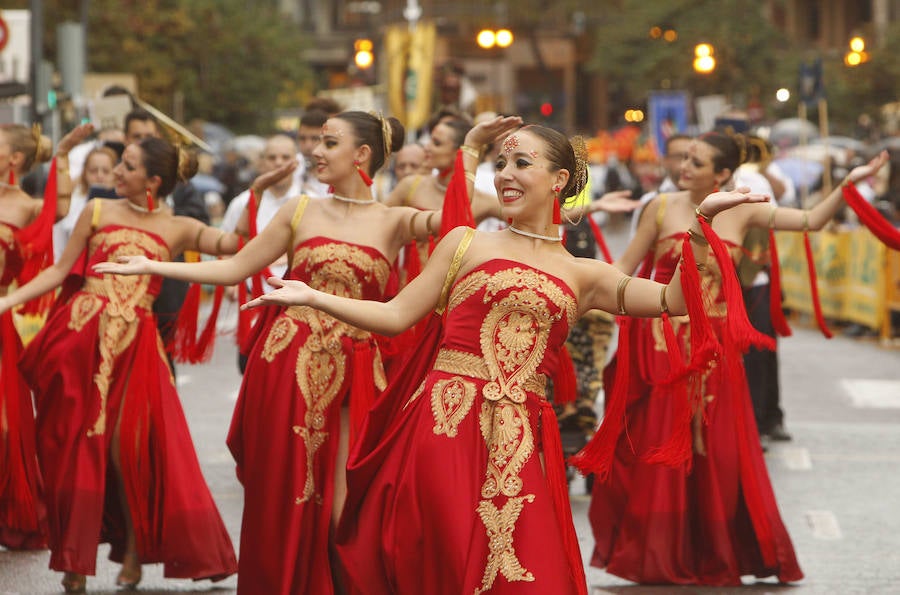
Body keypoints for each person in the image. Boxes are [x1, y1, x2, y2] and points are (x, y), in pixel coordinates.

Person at [237, 124, 766, 594]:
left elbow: (673, 301)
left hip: (519, 435)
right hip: (444, 424)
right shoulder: (466, 243)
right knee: (442, 556)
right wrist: (312, 296)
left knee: (522, 568)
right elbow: (398, 314)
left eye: (521, 164)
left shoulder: (585, 274)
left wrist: (700, 229)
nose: (506, 176)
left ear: (559, 180)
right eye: (500, 165)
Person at [94, 111, 524, 594]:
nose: (315, 151)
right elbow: (235, 267)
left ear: (361, 155)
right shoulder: (299, 211)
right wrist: (151, 265)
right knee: (283, 500)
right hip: (284, 372)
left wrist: (469, 151)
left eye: (328, 142)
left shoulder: (396, 221)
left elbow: (456, 225)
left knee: (348, 509)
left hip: (357, 374)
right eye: (317, 142)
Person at [585, 131, 888, 586]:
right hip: (661, 344)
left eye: (697, 162)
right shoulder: (660, 208)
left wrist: (848, 184)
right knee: (657, 448)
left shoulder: (744, 209)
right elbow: (623, 271)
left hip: (717, 348)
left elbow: (811, 220)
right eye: (684, 158)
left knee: (720, 449)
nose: (683, 167)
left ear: (723, 174)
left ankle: (719, 549)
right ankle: (658, 550)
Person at [0, 135, 239, 592]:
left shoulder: (179, 227)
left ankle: (132, 546)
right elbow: (57, 272)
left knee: (125, 450)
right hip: (81, 339)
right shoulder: (96, 211)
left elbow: (232, 243)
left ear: (152, 181)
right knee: (73, 445)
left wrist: (261, 197)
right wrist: (6, 302)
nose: (115, 172)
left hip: (138, 347)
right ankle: (73, 558)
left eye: (127, 167)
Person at [0, 121, 74, 552]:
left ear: (14, 160)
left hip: (2, 315)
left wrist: (61, 153)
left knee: (6, 423)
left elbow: (60, 208)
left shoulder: (26, 206)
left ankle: (13, 510)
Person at [53, 145, 117, 260]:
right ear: (84, 173)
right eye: (93, 171)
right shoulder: (69, 205)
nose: (99, 176)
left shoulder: (124, 205)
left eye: (106, 171)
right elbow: (58, 248)